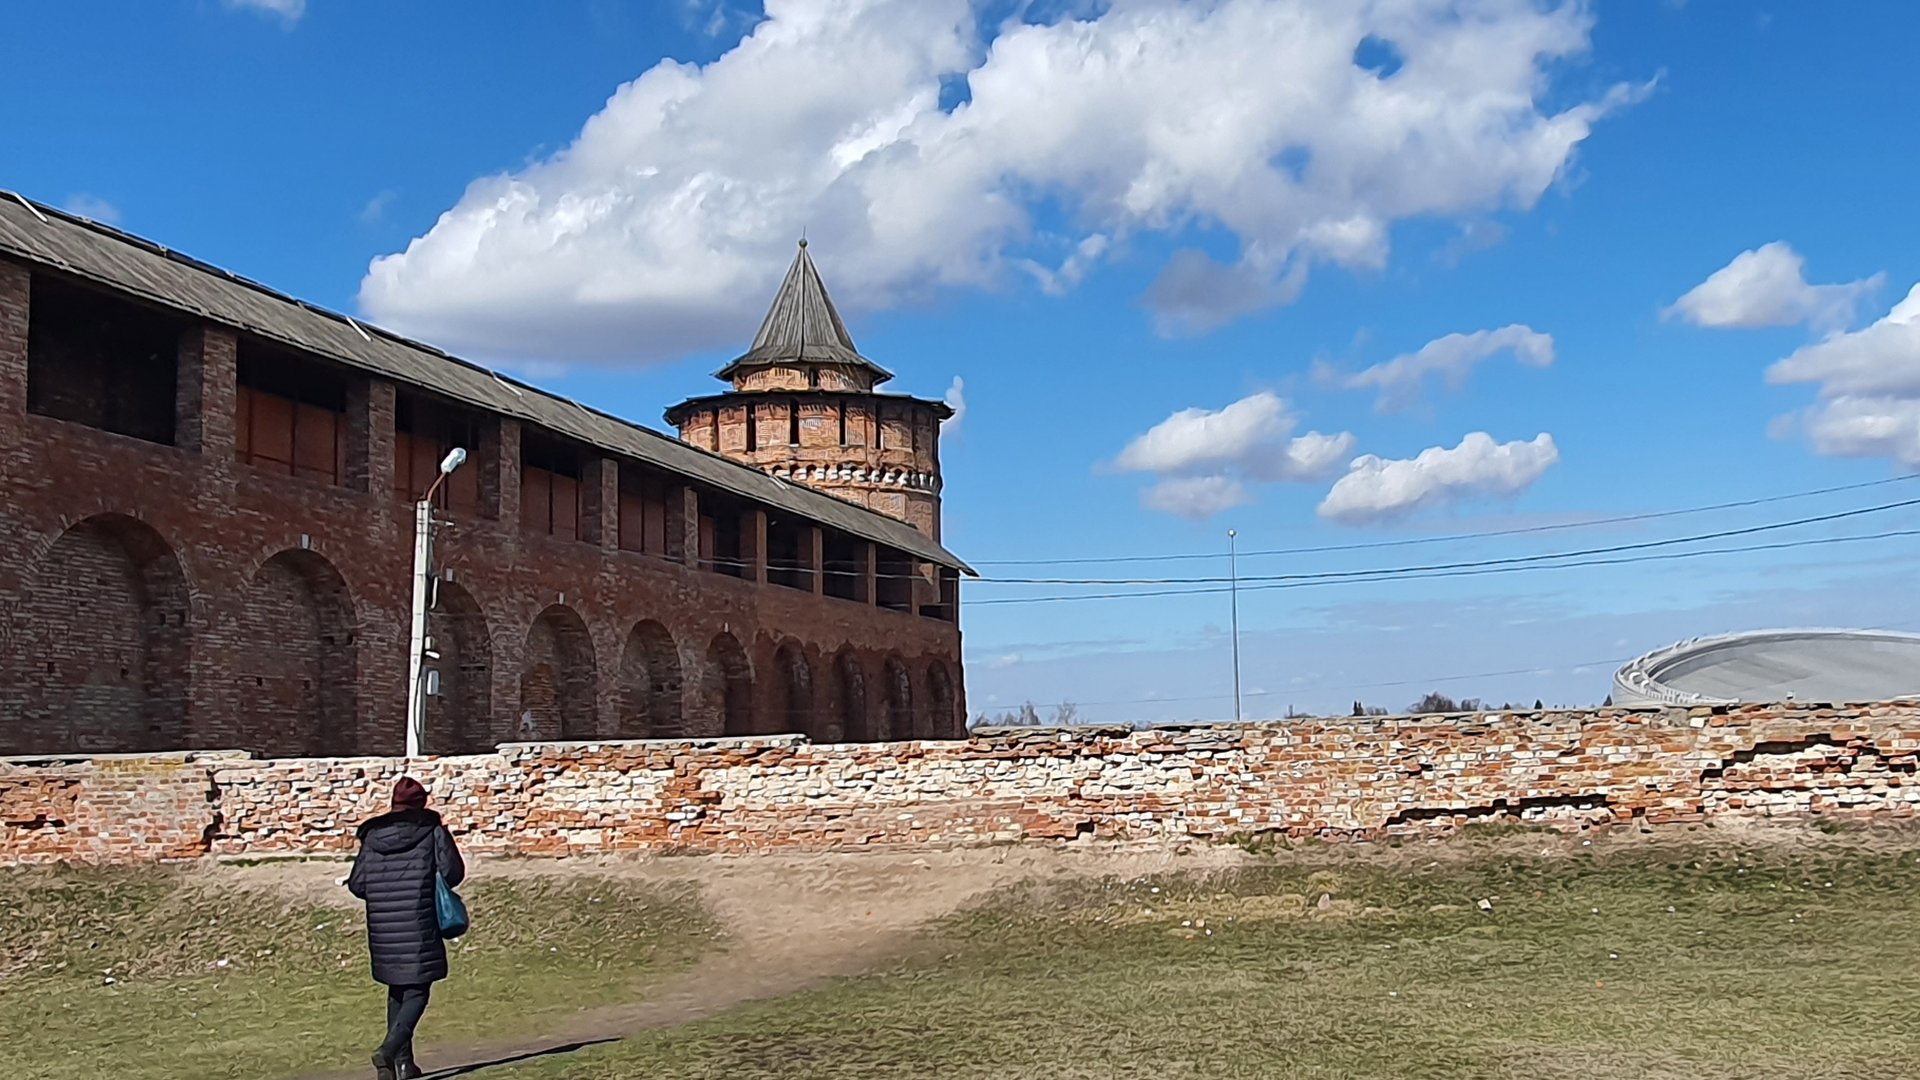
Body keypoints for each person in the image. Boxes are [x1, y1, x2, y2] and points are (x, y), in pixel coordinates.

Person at [347, 776, 465, 1080]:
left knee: (397, 990)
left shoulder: (372, 837)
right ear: (421, 803)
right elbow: (452, 873)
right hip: (420, 919)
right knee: (418, 990)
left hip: (383, 925)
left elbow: (358, 884)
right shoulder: (432, 831)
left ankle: (403, 1066)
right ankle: (388, 1050)